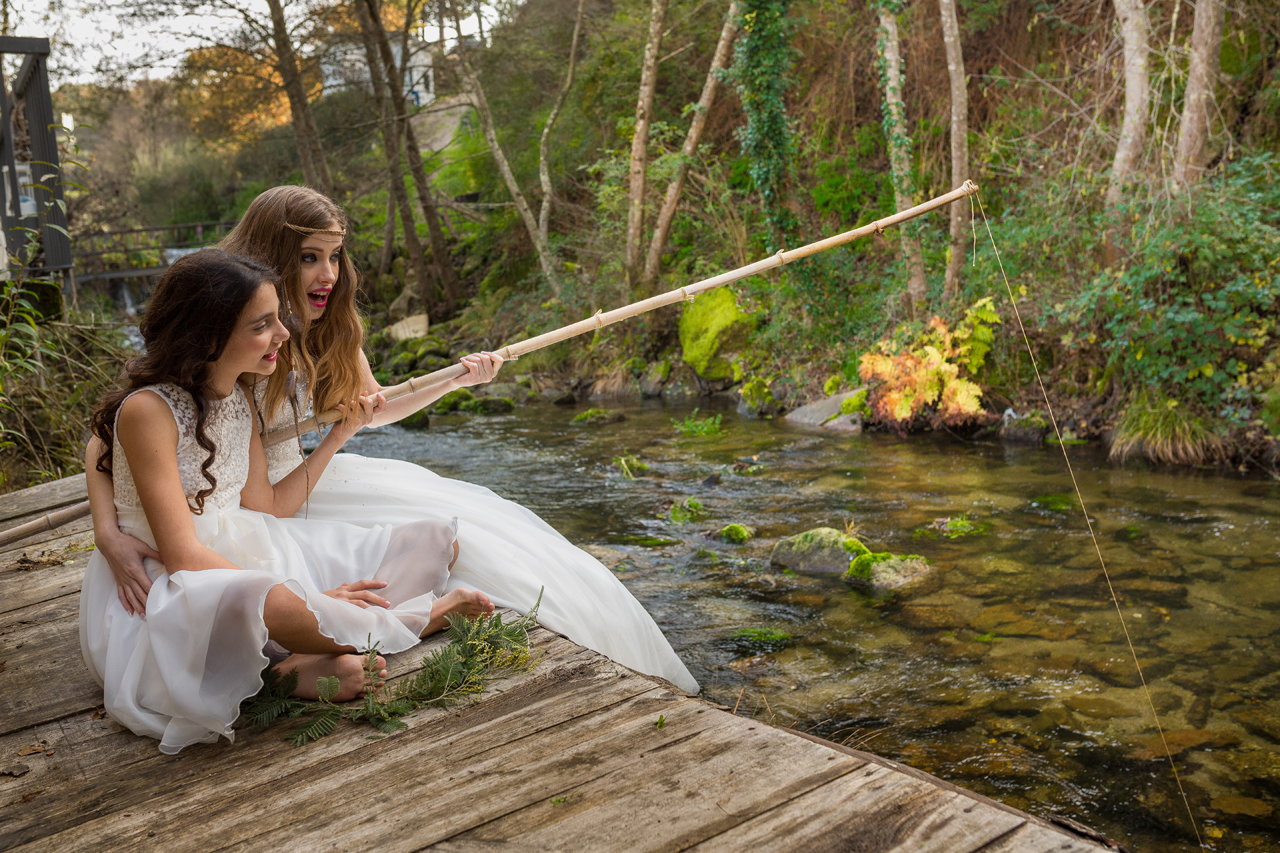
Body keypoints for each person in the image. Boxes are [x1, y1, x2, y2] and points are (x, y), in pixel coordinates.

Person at [88, 185, 698, 695]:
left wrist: (458, 378)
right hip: (241, 519)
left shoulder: (295, 343)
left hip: (269, 501)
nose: (327, 273)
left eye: (334, 256)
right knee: (291, 592)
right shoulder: (207, 357)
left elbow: (373, 408)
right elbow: (109, 442)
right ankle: (313, 654)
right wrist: (110, 533)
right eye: (308, 257)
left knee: (456, 532)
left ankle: (331, 638)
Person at [80, 249, 491, 754]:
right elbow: (185, 555)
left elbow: (269, 506)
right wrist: (311, 598)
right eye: (263, 324)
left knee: (427, 540)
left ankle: (302, 657)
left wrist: (340, 435)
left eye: (278, 319)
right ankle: (410, 623)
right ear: (209, 335)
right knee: (264, 597)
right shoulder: (149, 410)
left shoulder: (238, 395)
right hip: (171, 579)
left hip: (244, 539)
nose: (284, 334)